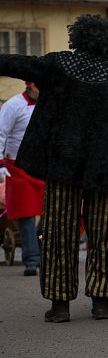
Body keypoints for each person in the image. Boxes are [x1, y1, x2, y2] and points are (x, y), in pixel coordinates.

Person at [0, 14, 108, 323]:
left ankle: (59, 305)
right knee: (102, 234)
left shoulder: (58, 65)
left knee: (59, 233)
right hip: (106, 168)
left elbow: (17, 63)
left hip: (63, 165)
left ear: (77, 38)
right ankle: (99, 301)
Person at [0, 82, 45, 276]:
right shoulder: (12, 105)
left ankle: (40, 249)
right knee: (26, 213)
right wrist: (0, 164)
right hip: (17, 166)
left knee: (50, 210)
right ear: (30, 86)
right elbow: (1, 134)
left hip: (43, 164)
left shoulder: (48, 104)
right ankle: (32, 259)